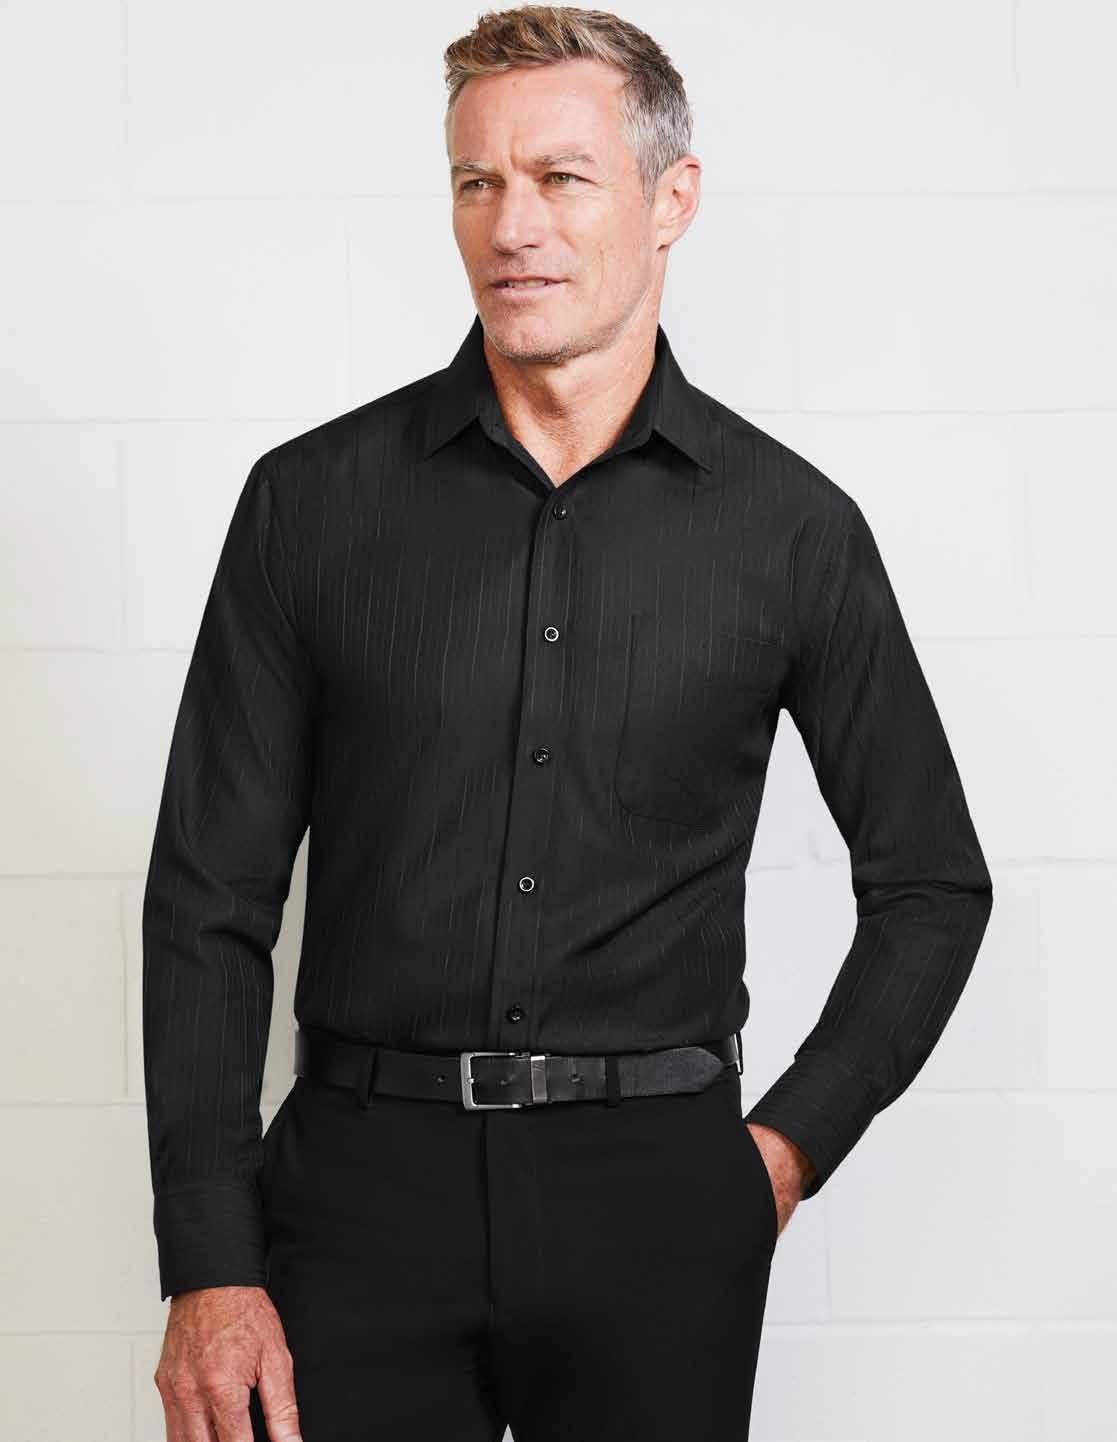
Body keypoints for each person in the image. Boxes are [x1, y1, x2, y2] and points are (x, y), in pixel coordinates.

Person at [143, 8, 994, 1441]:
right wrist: (210, 1261)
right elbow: (206, 900)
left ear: (672, 198)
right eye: (476, 181)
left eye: (560, 177)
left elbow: (931, 884)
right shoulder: (311, 505)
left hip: (658, 1204)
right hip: (354, 1200)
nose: (512, 225)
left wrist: (783, 1152)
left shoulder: (791, 532)